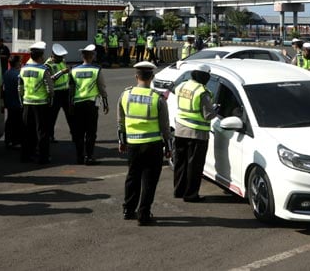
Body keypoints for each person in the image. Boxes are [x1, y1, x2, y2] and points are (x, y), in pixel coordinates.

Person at [117, 61, 172, 225]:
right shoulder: (157, 99)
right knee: (149, 181)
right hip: (153, 145)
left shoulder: (125, 95)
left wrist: (122, 141)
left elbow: (120, 121)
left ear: (136, 76)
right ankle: (144, 214)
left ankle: (128, 209)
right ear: (152, 77)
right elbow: (165, 127)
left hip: (133, 144)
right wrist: (168, 147)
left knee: (132, 177)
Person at [172, 64, 216, 203]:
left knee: (180, 163)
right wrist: (216, 109)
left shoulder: (182, 86)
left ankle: (179, 190)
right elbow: (208, 115)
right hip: (197, 133)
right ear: (204, 76)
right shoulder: (202, 91)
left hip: (180, 130)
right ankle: (191, 195)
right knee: (194, 166)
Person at [70, 44, 108, 165]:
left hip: (77, 104)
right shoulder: (96, 70)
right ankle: (89, 156)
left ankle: (79, 156)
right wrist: (105, 103)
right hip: (91, 105)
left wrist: (70, 104)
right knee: (91, 132)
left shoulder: (74, 70)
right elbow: (102, 88)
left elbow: (71, 89)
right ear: (92, 56)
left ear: (83, 57)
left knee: (79, 132)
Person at [18, 41, 55, 164]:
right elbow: (50, 89)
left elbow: (20, 88)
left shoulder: (23, 69)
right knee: (42, 131)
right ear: (40, 56)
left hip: (27, 103)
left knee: (27, 130)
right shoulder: (43, 70)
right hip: (41, 105)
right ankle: (43, 157)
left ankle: (26, 155)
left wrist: (22, 101)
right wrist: (50, 101)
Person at [45, 43, 72, 143]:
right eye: (60, 57)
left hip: (65, 92)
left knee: (70, 114)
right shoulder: (48, 65)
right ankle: (50, 136)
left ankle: (74, 134)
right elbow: (49, 79)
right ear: (54, 56)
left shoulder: (62, 62)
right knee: (52, 116)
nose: (62, 59)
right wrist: (61, 72)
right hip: (55, 93)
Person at [2, 55, 23, 148]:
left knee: (10, 121)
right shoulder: (18, 74)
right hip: (17, 102)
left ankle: (8, 140)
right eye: (20, 61)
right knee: (17, 123)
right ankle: (16, 141)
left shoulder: (6, 73)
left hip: (9, 101)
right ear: (17, 63)